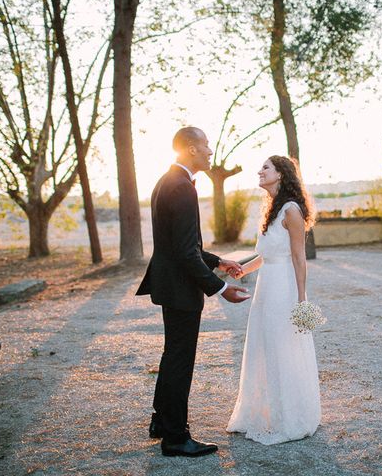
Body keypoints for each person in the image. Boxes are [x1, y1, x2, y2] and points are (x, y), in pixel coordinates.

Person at [136, 127, 250, 457]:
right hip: (180, 286)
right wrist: (221, 288)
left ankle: (162, 421)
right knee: (180, 359)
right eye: (206, 145)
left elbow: (182, 245)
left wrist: (218, 260)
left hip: (171, 283)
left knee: (173, 353)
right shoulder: (182, 187)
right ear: (190, 149)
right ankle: (175, 437)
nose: (211, 151)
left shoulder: (167, 181)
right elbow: (185, 252)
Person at [226, 155, 321, 445]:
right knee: (264, 346)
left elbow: (298, 257)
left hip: (284, 288)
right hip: (266, 289)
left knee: (283, 347)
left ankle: (289, 417)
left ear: (281, 174)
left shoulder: (291, 210)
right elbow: (266, 256)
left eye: (265, 167)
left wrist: (301, 299)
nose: (259, 171)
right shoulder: (271, 209)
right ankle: (263, 411)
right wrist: (241, 268)